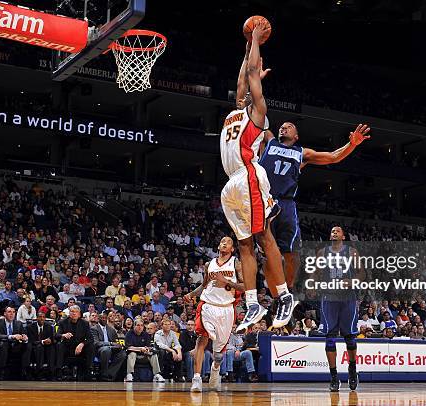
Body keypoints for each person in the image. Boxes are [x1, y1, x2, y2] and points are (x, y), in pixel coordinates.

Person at [219, 23, 296, 333]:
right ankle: (252, 303)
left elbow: (251, 73)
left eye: (251, 91)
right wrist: (246, 56)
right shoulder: (238, 109)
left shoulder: (259, 112)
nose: (246, 92)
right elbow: (242, 79)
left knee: (264, 236)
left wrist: (254, 39)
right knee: (245, 246)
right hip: (231, 185)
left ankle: (284, 296)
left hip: (248, 175)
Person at [259, 120, 370, 296]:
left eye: (289, 126)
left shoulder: (302, 153)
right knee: (266, 254)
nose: (283, 127)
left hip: (286, 204)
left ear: (296, 136)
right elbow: (254, 117)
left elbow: (333, 157)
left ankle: (288, 291)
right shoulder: (269, 140)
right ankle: (275, 296)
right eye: (282, 126)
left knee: (292, 254)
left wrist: (352, 144)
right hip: (264, 200)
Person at [184, 236, 244, 392]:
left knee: (218, 354)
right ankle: (196, 379)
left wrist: (227, 282)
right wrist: (191, 295)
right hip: (207, 306)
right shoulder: (208, 264)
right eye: (222, 241)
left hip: (226, 309)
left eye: (228, 242)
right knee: (201, 340)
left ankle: (215, 370)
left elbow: (245, 286)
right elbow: (204, 286)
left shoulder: (236, 264)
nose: (224, 243)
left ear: (232, 249)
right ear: (218, 245)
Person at [318, 226, 365, 391]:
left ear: (343, 236)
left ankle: (352, 370)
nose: (334, 232)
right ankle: (334, 376)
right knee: (330, 338)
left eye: (337, 231)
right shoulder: (322, 253)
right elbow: (315, 273)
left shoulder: (351, 252)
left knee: (350, 338)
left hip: (347, 298)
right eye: (332, 231)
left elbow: (361, 273)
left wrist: (353, 282)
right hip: (328, 297)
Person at [55, 305, 95, 381]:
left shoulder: (85, 323)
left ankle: (89, 371)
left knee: (90, 346)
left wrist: (82, 344)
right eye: (72, 311)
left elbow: (91, 338)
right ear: (69, 313)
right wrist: (63, 335)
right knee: (60, 345)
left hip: (80, 349)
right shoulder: (62, 322)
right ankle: (59, 371)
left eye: (76, 312)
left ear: (79, 314)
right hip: (67, 347)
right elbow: (56, 335)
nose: (74, 313)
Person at [0, 306, 31, 380]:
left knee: (27, 345)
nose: (12, 314)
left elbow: (24, 334)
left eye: (13, 312)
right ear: (4, 313)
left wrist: (25, 338)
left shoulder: (18, 323)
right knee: (4, 344)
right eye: (9, 312)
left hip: (16, 345)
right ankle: (2, 371)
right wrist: (12, 336)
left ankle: (24, 370)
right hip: (4, 344)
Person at [91, 312, 126, 381]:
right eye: (102, 318)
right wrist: (110, 343)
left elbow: (115, 342)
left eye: (105, 318)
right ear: (98, 319)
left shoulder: (111, 329)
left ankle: (108, 374)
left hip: (112, 348)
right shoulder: (94, 329)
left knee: (123, 354)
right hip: (99, 350)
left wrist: (117, 345)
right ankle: (104, 373)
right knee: (106, 350)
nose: (104, 319)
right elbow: (96, 343)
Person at [27, 311, 55, 379]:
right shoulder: (30, 327)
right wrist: (42, 342)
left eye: (43, 317)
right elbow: (31, 340)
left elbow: (52, 338)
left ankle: (51, 372)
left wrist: (50, 341)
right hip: (35, 346)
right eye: (40, 317)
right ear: (37, 318)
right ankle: (39, 371)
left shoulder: (49, 327)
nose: (42, 319)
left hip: (46, 346)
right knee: (39, 347)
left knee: (51, 347)